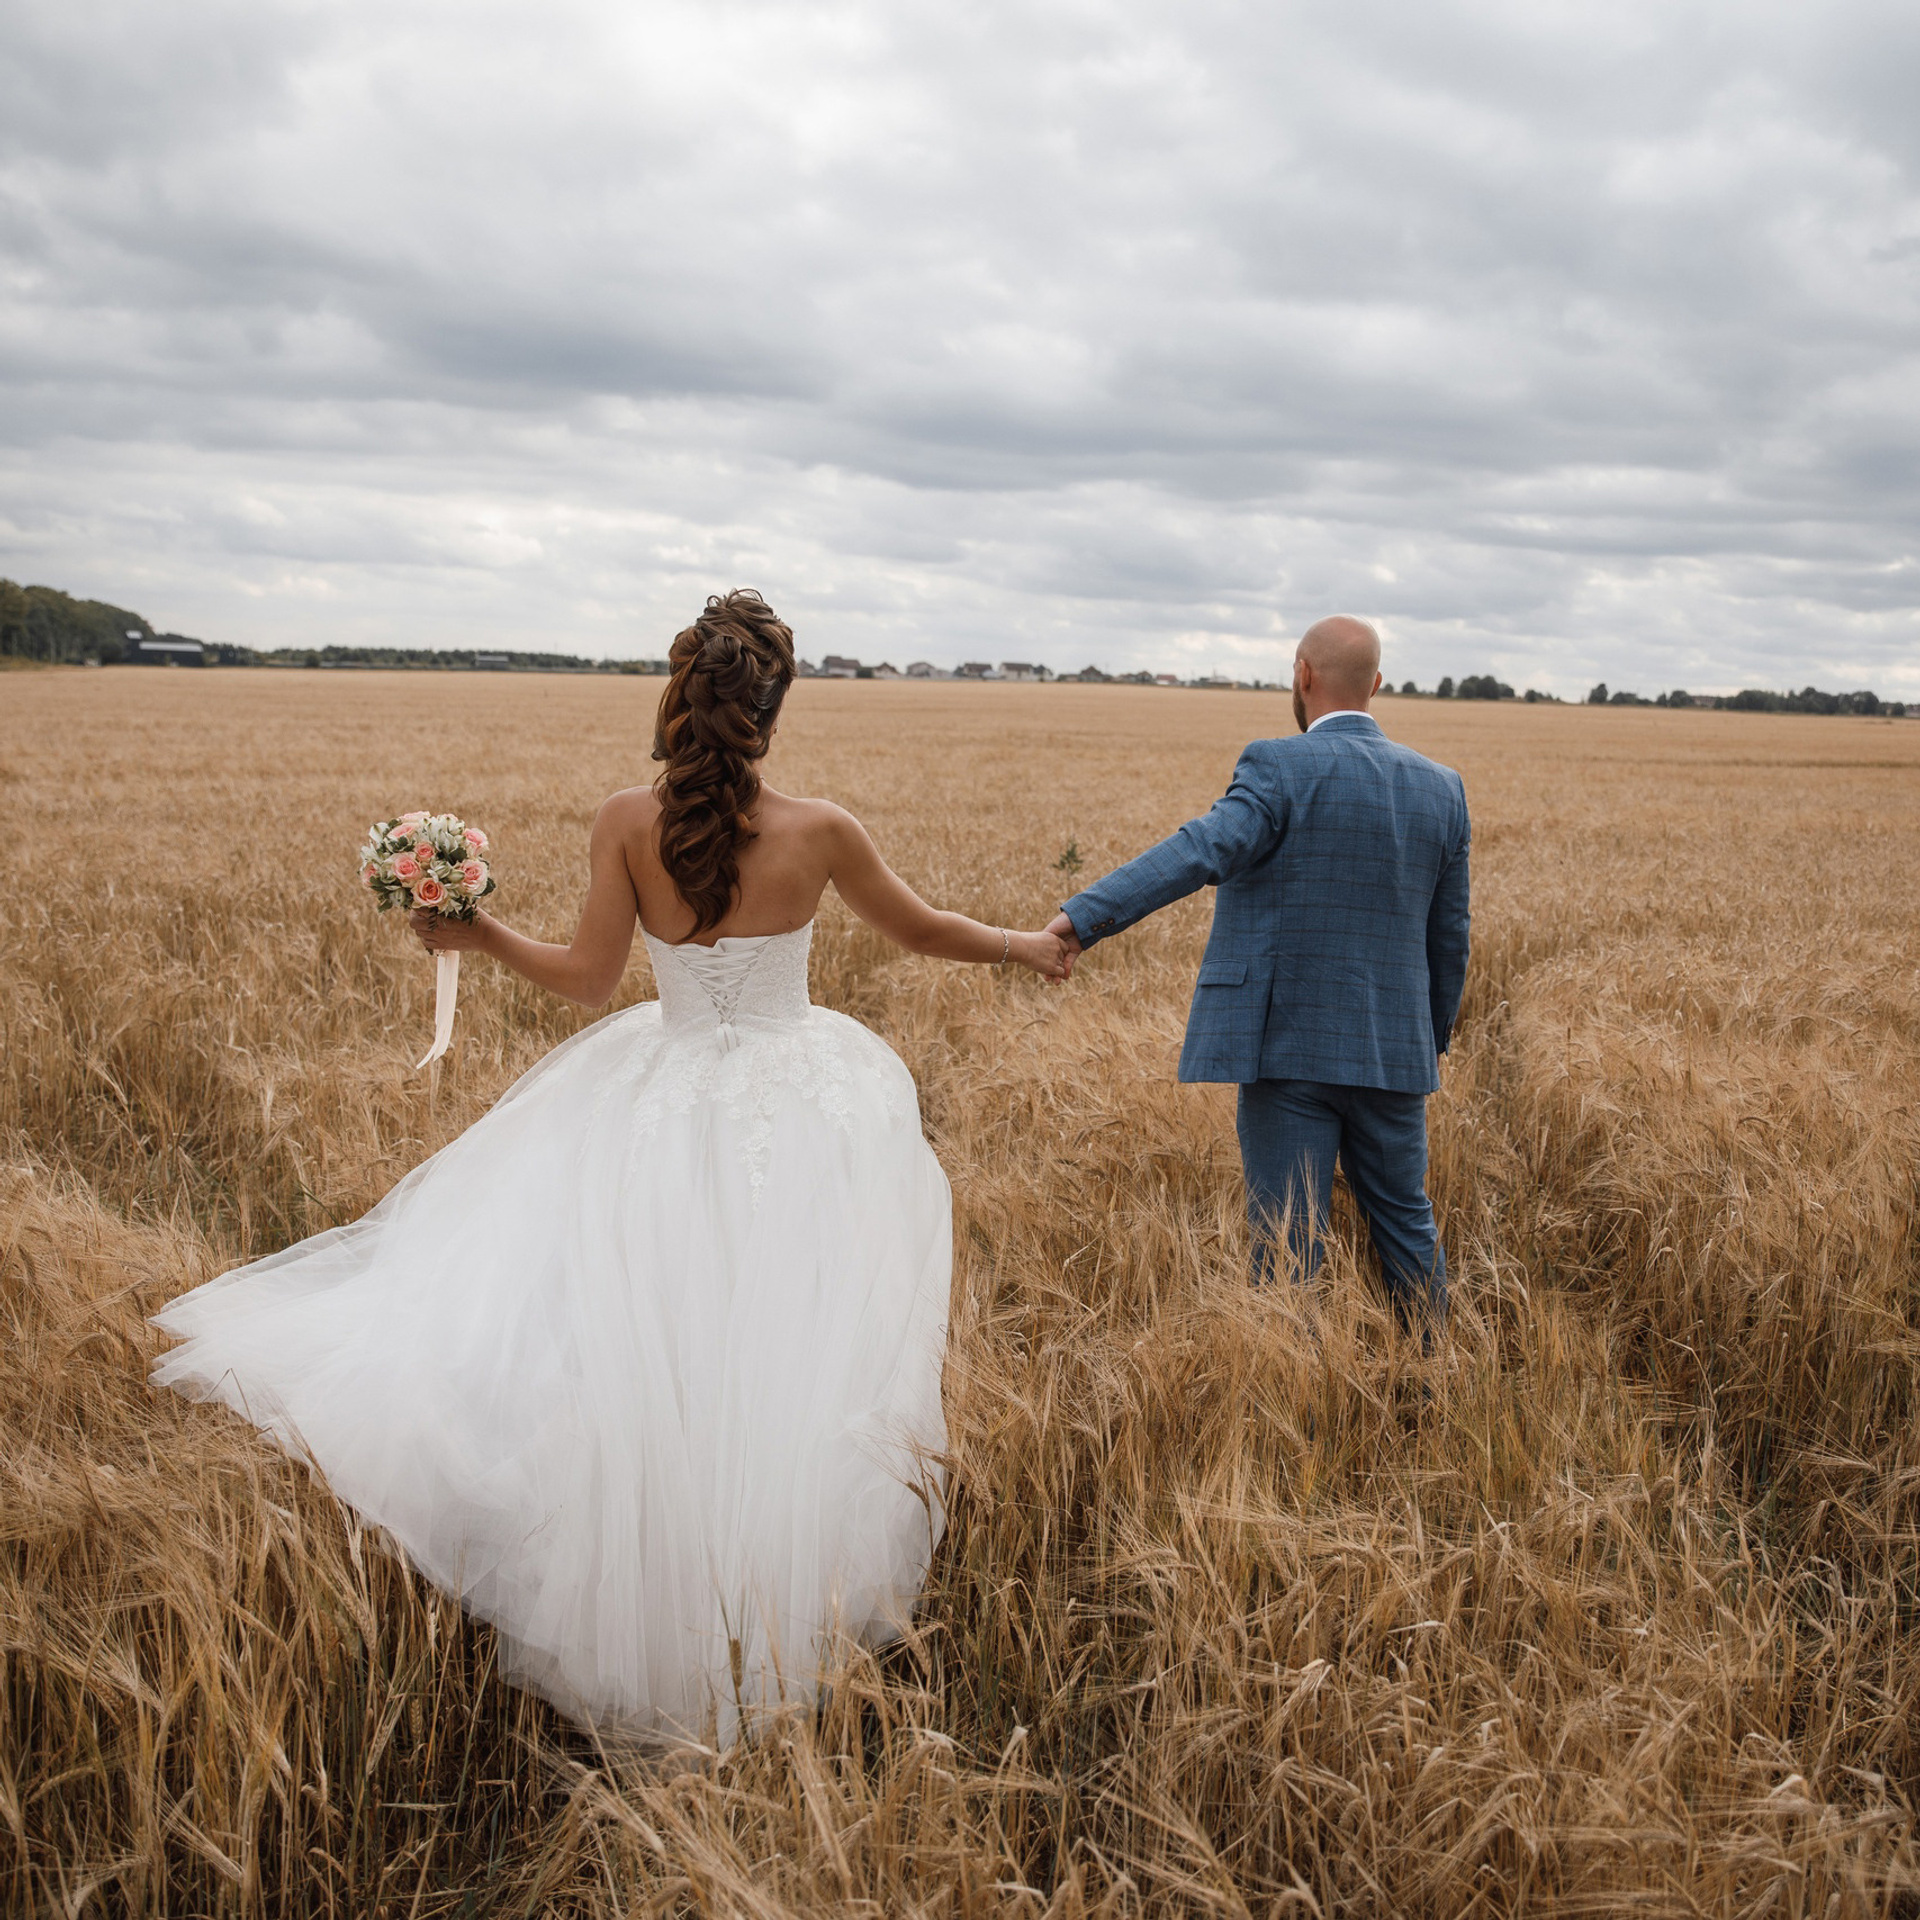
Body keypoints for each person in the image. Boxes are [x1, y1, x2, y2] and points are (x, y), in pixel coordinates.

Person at [152, 589, 1071, 1741]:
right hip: (804, 1108)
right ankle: (776, 1610)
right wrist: (1027, 947)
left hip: (660, 1100)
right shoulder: (822, 828)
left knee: (635, 1351)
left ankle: (644, 1593)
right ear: (772, 711)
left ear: (679, 700)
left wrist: (476, 930)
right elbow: (925, 928)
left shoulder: (624, 822)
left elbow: (588, 981)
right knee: (786, 1352)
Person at [1042, 615, 1470, 1334]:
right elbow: (1449, 935)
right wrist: (1423, 1037)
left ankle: (1293, 1411)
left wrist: (1085, 918)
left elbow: (1198, 851)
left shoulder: (1278, 766)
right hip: (1395, 1053)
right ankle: (1438, 1381)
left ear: (1302, 673)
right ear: (1377, 685)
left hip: (1289, 1050)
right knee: (1406, 1227)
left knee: (1287, 1250)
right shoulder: (1442, 788)